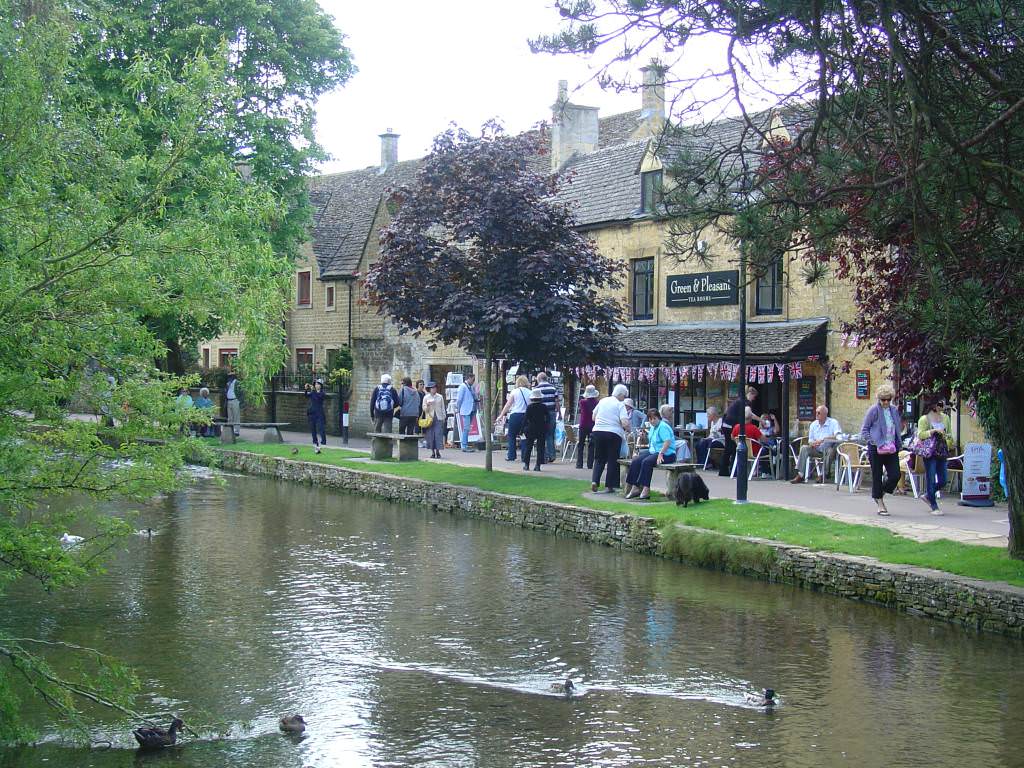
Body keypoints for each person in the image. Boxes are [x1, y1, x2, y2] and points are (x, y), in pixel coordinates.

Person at [861, 383, 904, 516]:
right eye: (883, 400)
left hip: (891, 448)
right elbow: (864, 430)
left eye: (888, 399)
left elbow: (897, 428)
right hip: (876, 448)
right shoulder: (873, 411)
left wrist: (898, 440)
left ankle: (879, 493)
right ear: (878, 399)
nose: (885, 402)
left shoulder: (894, 410)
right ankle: (880, 503)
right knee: (877, 476)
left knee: (895, 474)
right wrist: (874, 442)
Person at [624, 408, 676, 499]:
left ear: (658, 418)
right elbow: (652, 442)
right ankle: (634, 486)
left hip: (667, 454)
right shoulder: (652, 427)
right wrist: (644, 437)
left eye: (654, 419)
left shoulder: (663, 426)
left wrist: (661, 453)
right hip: (654, 451)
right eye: (650, 419)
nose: (652, 421)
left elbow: (667, 442)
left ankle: (646, 488)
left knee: (647, 462)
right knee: (636, 460)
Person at [590, 384, 631, 494]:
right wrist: (628, 429)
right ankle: (609, 485)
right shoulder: (620, 404)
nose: (624, 398)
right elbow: (625, 422)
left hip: (598, 431)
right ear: (621, 395)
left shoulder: (603, 401)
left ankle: (595, 481)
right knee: (612, 459)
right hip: (613, 433)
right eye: (624, 396)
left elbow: (593, 416)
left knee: (599, 458)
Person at [916, 398, 953, 515]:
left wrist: (947, 441)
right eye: (939, 404)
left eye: (943, 404)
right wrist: (932, 432)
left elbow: (950, 434)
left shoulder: (945, 418)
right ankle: (934, 505)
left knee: (943, 480)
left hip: (942, 451)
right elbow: (920, 435)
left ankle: (928, 495)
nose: (942, 406)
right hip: (930, 452)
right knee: (931, 478)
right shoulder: (925, 419)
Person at [791, 406, 842, 484]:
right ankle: (800, 475)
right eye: (816, 412)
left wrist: (824, 439)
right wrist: (813, 443)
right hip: (817, 449)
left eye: (819, 413)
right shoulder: (813, 425)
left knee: (831, 450)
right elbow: (810, 440)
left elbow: (839, 436)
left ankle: (823, 474)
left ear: (825, 414)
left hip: (829, 448)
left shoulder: (833, 422)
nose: (816, 414)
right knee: (804, 448)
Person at [720, 387, 758, 477]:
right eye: (754, 396)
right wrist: (761, 420)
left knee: (728, 448)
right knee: (733, 448)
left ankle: (725, 470)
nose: (754, 399)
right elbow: (749, 414)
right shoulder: (746, 402)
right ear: (750, 394)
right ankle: (734, 471)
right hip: (730, 425)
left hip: (725, 424)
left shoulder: (738, 401)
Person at [496, 375, 532, 462]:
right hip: (525, 416)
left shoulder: (514, 391)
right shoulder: (530, 392)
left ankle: (511, 455)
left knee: (511, 436)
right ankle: (524, 456)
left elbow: (508, 404)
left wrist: (501, 415)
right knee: (524, 436)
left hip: (515, 416)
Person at [522, 388, 549, 471]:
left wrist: (522, 429)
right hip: (541, 428)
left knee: (528, 446)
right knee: (540, 448)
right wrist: (546, 427)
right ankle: (538, 465)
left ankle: (526, 464)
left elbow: (525, 419)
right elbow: (548, 418)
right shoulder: (544, 407)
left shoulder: (530, 407)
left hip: (531, 428)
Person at [536, 372, 559, 462]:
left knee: (541, 434)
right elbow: (556, 401)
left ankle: (544, 455)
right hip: (552, 412)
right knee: (550, 434)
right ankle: (552, 455)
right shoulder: (553, 388)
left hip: (541, 414)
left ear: (539, 379)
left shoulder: (537, 388)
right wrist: (559, 413)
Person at [575, 385, 600, 470]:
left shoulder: (582, 402)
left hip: (583, 424)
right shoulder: (597, 402)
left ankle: (579, 463)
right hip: (593, 425)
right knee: (591, 445)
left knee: (581, 444)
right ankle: (590, 464)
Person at [421, 381, 446, 459]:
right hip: (430, 418)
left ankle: (438, 451)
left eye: (435, 388)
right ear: (429, 389)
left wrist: (444, 417)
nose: (434, 389)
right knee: (431, 435)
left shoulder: (440, 397)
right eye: (432, 388)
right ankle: (432, 452)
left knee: (438, 435)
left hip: (438, 417)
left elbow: (442, 407)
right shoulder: (426, 397)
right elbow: (424, 409)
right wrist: (428, 405)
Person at [456, 372, 478, 452]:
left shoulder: (471, 387)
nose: (473, 381)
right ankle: (464, 445)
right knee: (466, 428)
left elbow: (473, 396)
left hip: (472, 409)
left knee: (467, 428)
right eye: (473, 379)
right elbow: (459, 399)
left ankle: (465, 443)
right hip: (465, 410)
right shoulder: (463, 387)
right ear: (468, 378)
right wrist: (457, 408)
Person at [304, 380, 327, 452]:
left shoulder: (322, 393)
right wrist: (306, 389)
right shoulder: (313, 392)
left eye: (318, 384)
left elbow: (318, 398)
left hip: (319, 413)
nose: (316, 385)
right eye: (315, 384)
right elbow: (306, 396)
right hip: (312, 413)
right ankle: (315, 442)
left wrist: (313, 391)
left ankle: (323, 442)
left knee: (321, 428)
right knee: (312, 429)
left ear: (321, 385)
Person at [225, 371, 242, 437]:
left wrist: (239, 400)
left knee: (236, 417)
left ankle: (236, 431)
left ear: (233, 377)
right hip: (229, 401)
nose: (229, 378)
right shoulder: (228, 383)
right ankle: (230, 430)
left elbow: (241, 392)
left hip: (235, 400)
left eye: (230, 376)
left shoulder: (237, 383)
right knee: (230, 417)